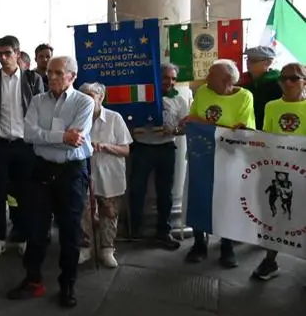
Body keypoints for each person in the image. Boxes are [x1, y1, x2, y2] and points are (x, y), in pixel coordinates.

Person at [7, 56, 94, 308]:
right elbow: (28, 134)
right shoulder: (37, 100)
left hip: (71, 172)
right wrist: (60, 136)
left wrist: (49, 137)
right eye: (49, 73)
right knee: (36, 228)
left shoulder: (84, 102)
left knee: (69, 231)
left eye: (58, 73)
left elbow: (77, 138)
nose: (51, 77)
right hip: (41, 170)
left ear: (72, 76)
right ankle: (33, 280)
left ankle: (68, 283)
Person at [0, 35, 45, 259]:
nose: (3, 58)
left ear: (17, 53)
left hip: (25, 146)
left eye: (8, 53)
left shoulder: (32, 79)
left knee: (24, 194)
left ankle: (22, 236)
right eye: (0, 54)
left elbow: (41, 113)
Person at [184, 59, 255, 267]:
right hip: (201, 155)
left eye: (211, 75)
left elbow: (241, 131)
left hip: (230, 158)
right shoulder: (203, 92)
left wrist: (204, 124)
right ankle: (199, 244)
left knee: (227, 203)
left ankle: (227, 246)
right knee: (198, 199)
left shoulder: (245, 97)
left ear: (226, 80)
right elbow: (193, 117)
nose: (206, 78)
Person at [251, 62, 306, 280]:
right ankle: (270, 260)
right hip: (279, 172)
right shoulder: (271, 106)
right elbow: (267, 138)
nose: (288, 83)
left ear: (304, 80)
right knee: (276, 217)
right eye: (283, 79)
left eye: (294, 78)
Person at [128, 63, 189, 248]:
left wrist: (174, 130)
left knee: (165, 193)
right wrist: (134, 129)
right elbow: (126, 119)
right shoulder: (140, 96)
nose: (169, 82)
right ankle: (134, 230)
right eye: (165, 77)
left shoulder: (179, 100)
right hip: (142, 147)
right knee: (137, 190)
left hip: (166, 148)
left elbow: (185, 127)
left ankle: (164, 231)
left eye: (173, 78)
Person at [78, 82, 132, 268]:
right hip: (84, 175)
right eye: (83, 97)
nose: (86, 101)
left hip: (109, 175)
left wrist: (104, 146)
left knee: (109, 213)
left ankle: (107, 248)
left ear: (101, 97)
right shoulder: (77, 118)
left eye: (90, 97)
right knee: (84, 212)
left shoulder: (114, 118)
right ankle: (87, 247)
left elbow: (125, 150)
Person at [238, 45, 281, 130]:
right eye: (248, 59)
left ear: (268, 62)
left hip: (268, 129)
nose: (248, 63)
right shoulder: (241, 81)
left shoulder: (278, 82)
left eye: (253, 60)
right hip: (244, 128)